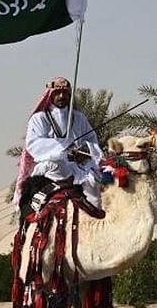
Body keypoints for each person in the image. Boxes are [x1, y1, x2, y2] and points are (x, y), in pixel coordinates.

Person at [12, 76, 104, 216]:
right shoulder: (39, 118)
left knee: (93, 184)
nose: (61, 96)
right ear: (50, 95)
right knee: (57, 164)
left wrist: (85, 150)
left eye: (65, 93)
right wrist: (64, 149)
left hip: (79, 167)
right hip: (53, 166)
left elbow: (92, 141)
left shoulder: (79, 118)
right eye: (57, 93)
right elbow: (33, 144)